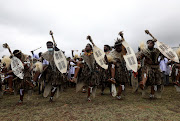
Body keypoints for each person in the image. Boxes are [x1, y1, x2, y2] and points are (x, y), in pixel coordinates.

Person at [71, 36, 99, 101]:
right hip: (86, 71)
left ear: (91, 48)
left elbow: (96, 48)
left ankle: (89, 95)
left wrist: (91, 40)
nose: (86, 47)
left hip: (93, 70)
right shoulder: (83, 55)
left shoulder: (94, 53)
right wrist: (74, 62)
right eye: (86, 46)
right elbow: (79, 61)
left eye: (87, 46)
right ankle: (74, 78)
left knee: (91, 84)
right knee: (88, 83)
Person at [108, 32, 128, 100]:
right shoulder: (112, 53)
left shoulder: (123, 51)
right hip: (114, 67)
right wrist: (115, 62)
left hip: (122, 68)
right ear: (115, 47)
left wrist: (122, 36)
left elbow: (126, 46)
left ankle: (119, 94)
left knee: (122, 83)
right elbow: (110, 60)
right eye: (117, 46)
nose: (118, 47)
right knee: (113, 64)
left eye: (120, 46)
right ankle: (112, 78)